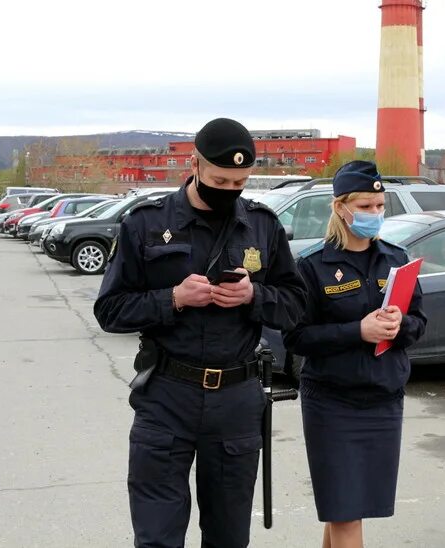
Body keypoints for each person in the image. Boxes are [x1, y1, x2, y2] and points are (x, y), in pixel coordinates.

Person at [93, 117, 307, 548]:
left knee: (228, 537)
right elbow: (109, 310)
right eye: (220, 179)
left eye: (240, 181)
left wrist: (254, 296)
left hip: (237, 399)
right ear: (194, 164)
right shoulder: (146, 224)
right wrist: (172, 297)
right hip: (167, 395)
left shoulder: (263, 225)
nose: (230, 189)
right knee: (157, 536)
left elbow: (296, 305)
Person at [283, 160, 427, 548]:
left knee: (346, 510)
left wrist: (400, 327)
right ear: (340, 208)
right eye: (365, 207)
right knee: (345, 511)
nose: (374, 215)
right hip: (333, 403)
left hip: (383, 399)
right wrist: (357, 331)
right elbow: (295, 337)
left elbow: (419, 322)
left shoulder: (396, 259)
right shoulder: (312, 266)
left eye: (380, 206)